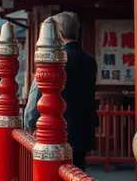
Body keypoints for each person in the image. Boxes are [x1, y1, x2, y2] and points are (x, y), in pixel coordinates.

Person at [23, 12, 98, 171]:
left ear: (57, 32)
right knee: (77, 170)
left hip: (56, 127)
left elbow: (38, 93)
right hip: (83, 127)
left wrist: (30, 121)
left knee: (54, 171)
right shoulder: (89, 60)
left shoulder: (55, 58)